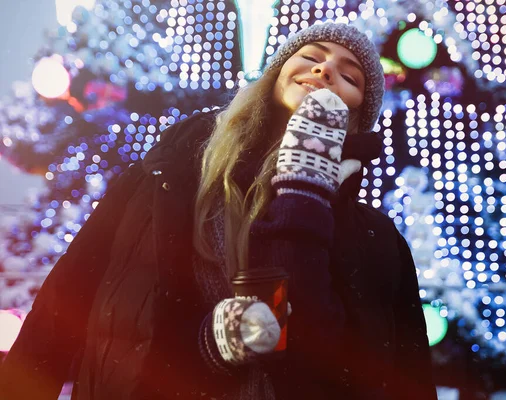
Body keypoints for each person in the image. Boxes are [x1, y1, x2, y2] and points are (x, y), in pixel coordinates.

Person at [0, 22, 436, 399]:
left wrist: (305, 189)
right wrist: (208, 346)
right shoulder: (163, 177)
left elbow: (352, 365)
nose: (324, 71)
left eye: (350, 76)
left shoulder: (377, 241)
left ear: (359, 117)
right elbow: (67, 301)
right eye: (312, 56)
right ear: (277, 74)